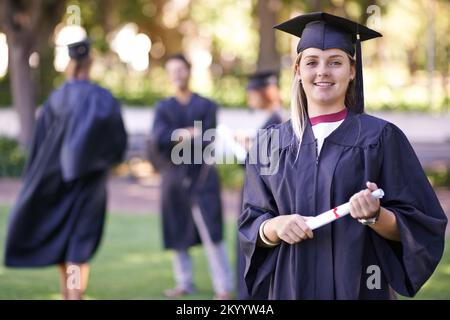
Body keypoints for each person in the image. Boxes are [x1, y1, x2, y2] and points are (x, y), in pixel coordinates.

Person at [238, 12, 448, 299]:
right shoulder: (270, 143)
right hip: (290, 287)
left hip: (360, 286)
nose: (323, 71)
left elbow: (422, 225)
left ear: (352, 70)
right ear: (298, 71)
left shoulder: (381, 138)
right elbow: (251, 222)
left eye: (335, 62)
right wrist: (275, 226)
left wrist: (375, 215)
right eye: (312, 62)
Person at [4, 38, 127, 300]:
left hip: (57, 180)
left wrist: (32, 180)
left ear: (70, 64)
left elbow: (39, 145)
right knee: (77, 243)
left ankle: (70, 292)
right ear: (90, 62)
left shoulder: (56, 99)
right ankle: (74, 293)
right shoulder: (103, 98)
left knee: (66, 240)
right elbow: (118, 142)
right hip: (91, 183)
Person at [151, 53, 233, 299]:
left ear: (189, 71)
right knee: (178, 234)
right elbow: (158, 139)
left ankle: (223, 287)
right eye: (172, 70)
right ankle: (184, 283)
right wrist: (184, 133)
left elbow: (207, 137)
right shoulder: (163, 107)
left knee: (211, 234)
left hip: (202, 178)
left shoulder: (206, 105)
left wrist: (177, 136)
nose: (177, 74)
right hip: (174, 179)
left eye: (181, 69)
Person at [236, 71, 287, 299]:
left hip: (264, 199)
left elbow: (271, 167)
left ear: (264, 94)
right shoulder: (275, 120)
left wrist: (246, 151)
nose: (250, 99)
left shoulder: (276, 122)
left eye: (252, 94)